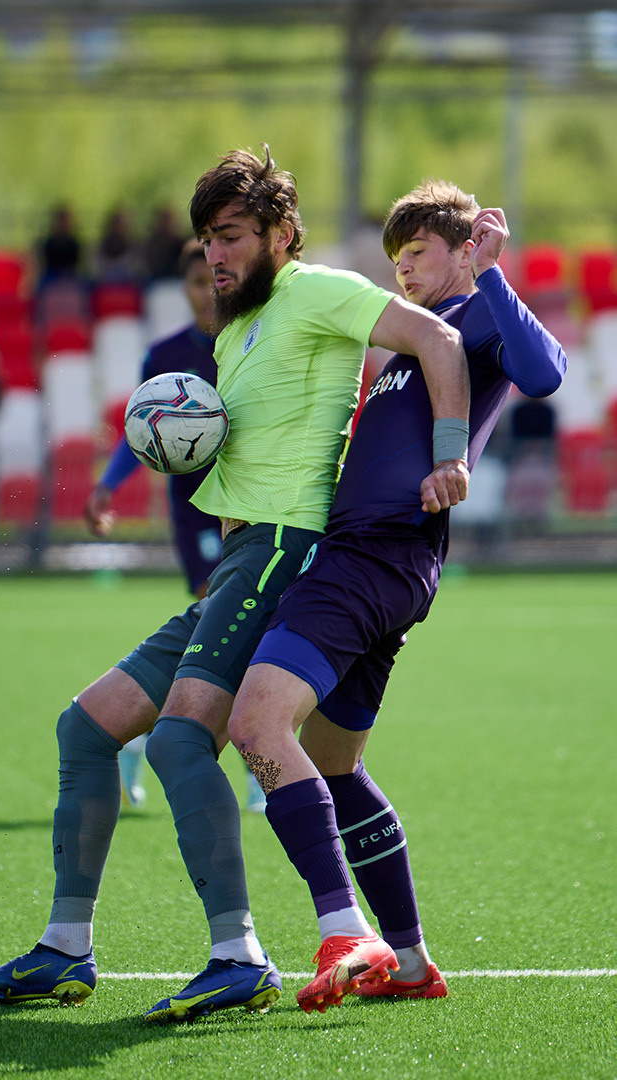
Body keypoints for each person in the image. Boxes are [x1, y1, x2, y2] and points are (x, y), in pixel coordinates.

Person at [0, 148, 469, 1020]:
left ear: (279, 233)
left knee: (181, 740)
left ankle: (238, 956)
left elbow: (439, 336)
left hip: (283, 550)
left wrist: (449, 451)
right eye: (206, 240)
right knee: (85, 729)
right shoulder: (236, 331)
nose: (216, 256)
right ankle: (64, 949)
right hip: (236, 563)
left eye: (231, 236)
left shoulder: (315, 291)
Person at [227, 184, 567, 1013]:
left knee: (255, 723)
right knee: (337, 767)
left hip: (378, 557)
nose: (404, 272)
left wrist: (493, 278)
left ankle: (346, 932)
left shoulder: (475, 318)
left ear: (459, 249)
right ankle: (411, 962)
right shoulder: (406, 347)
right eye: (395, 260)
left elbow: (546, 374)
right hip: (371, 561)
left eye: (417, 255)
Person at [84, 239, 264, 813]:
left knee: (244, 632)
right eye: (194, 283)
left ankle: (145, 737)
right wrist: (108, 485)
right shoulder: (164, 353)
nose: (206, 292)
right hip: (196, 513)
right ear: (183, 290)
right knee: (232, 627)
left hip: (253, 506)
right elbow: (141, 432)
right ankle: (260, 762)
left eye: (213, 281)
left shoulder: (253, 340)